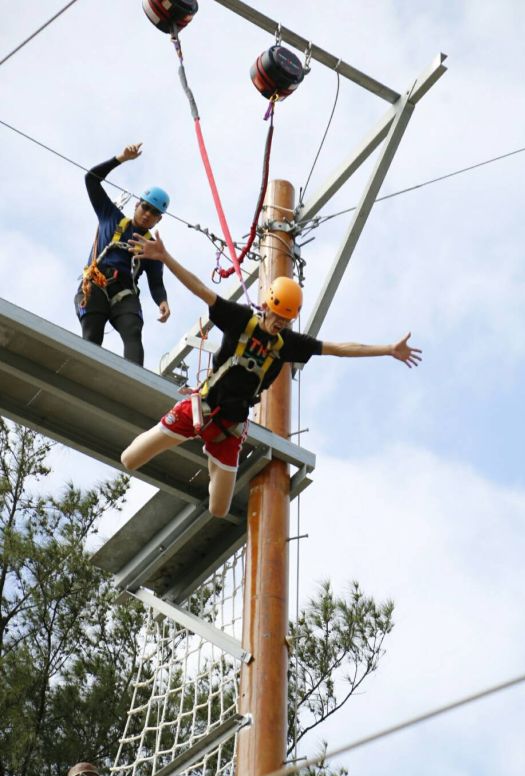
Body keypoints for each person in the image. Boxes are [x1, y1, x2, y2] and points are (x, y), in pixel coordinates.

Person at [120, 232, 422, 518]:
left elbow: (339, 348)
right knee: (129, 459)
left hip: (230, 429)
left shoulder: (289, 344)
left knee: (218, 509)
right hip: (201, 408)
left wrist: (388, 349)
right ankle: (202, 447)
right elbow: (201, 290)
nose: (279, 323)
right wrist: (164, 257)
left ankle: (212, 457)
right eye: (277, 315)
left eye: (286, 319)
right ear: (265, 306)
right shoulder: (239, 319)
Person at [76, 143, 172, 366]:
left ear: (159, 219)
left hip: (124, 292)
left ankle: (133, 379)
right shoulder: (110, 216)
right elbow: (91, 179)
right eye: (145, 207)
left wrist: (162, 301)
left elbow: (155, 282)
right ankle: (85, 369)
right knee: (93, 331)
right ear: (137, 204)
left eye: (154, 213)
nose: (147, 215)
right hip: (96, 282)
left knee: (133, 331)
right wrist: (120, 159)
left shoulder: (151, 247)